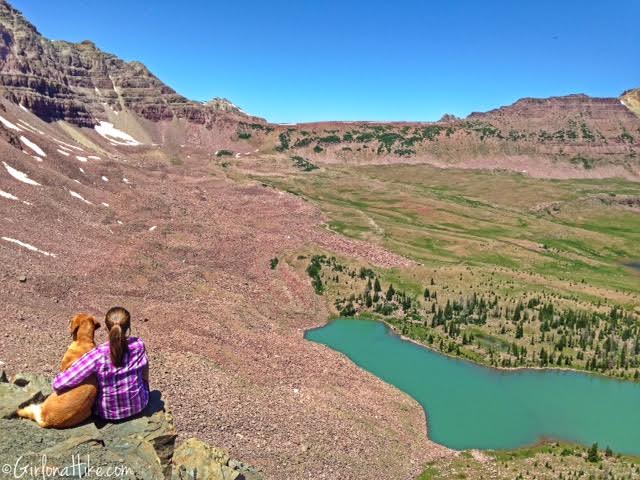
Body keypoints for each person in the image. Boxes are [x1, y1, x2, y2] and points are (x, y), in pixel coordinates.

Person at [53, 307, 150, 421]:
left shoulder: (97, 355)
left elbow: (59, 383)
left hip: (108, 414)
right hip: (139, 405)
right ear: (129, 327)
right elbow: (145, 372)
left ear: (106, 328)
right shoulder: (138, 344)